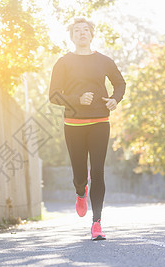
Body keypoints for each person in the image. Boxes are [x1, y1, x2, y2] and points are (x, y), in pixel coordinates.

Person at [49, 17, 126, 240]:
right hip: (73, 124)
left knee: (99, 171)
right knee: (80, 173)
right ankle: (80, 192)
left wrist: (115, 99)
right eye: (77, 30)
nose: (81, 33)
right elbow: (53, 95)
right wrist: (76, 99)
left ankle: (97, 223)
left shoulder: (104, 61)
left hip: (100, 121)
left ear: (91, 34)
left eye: (85, 30)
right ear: (72, 36)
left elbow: (120, 84)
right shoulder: (63, 62)